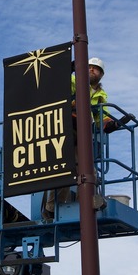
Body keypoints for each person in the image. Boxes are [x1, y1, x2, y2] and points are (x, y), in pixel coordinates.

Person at [42, 57, 117, 220]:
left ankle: (90, 202)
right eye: (89, 67)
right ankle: (52, 207)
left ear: (101, 74)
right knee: (64, 166)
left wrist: (109, 124)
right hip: (64, 124)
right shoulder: (74, 81)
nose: (91, 70)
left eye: (95, 68)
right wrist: (66, 70)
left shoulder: (100, 94)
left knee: (87, 170)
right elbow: (57, 83)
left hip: (82, 130)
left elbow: (101, 114)